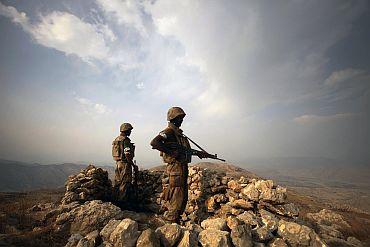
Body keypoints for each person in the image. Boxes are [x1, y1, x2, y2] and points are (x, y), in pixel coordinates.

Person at [150, 107, 207, 223]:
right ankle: (171, 219)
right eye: (179, 118)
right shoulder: (169, 132)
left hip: (181, 166)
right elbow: (154, 142)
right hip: (175, 167)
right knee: (177, 192)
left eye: (182, 118)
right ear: (173, 118)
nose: (181, 120)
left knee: (182, 193)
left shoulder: (178, 134)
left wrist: (198, 153)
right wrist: (171, 153)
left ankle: (176, 216)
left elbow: (184, 150)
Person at [112, 122, 138, 207]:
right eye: (129, 130)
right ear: (126, 130)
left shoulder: (117, 139)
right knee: (125, 183)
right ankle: (122, 204)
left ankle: (115, 201)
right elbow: (127, 154)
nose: (130, 132)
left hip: (118, 163)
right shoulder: (125, 140)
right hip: (125, 165)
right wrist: (133, 165)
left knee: (118, 183)